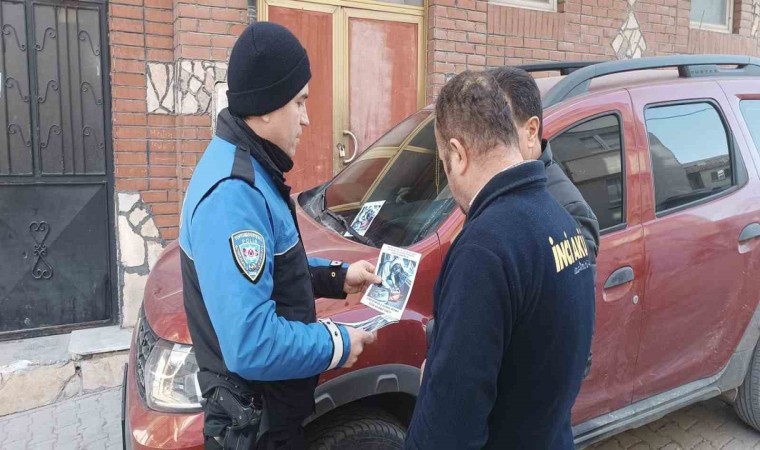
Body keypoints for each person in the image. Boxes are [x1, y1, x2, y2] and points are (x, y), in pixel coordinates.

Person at [179, 22, 380, 450]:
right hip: (255, 428)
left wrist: (336, 277)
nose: (307, 119)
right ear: (267, 106)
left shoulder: (253, 166)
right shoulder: (232, 195)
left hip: (270, 414)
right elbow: (250, 343)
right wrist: (337, 343)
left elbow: (271, 267)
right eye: (300, 102)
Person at [405, 71, 595, 449]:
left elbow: (447, 431)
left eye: (444, 164)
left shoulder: (485, 249)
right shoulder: (563, 222)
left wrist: (437, 384)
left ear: (458, 154)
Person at [488, 66, 600, 377]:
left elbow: (572, 332)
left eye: (499, 130)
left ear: (531, 130)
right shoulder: (502, 186)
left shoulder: (567, 211)